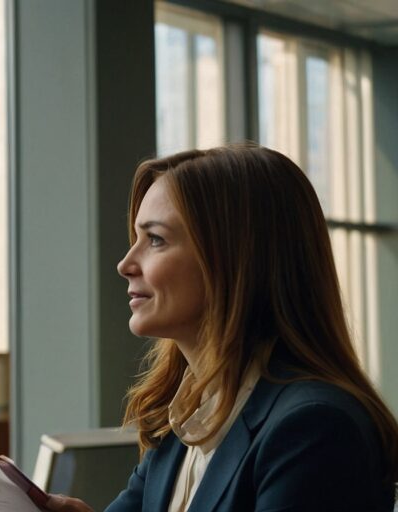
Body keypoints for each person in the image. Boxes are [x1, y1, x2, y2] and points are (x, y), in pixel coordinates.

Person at [45, 145, 398, 512]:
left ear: (233, 259)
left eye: (155, 240)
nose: (125, 264)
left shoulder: (314, 428)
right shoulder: (184, 421)